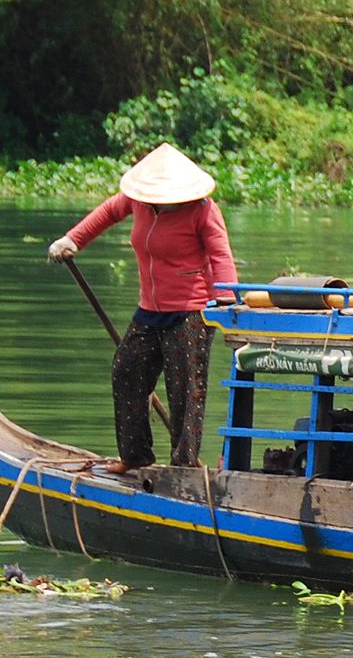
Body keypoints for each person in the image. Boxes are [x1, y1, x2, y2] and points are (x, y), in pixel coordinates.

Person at [47, 143, 239, 472]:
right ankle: (135, 457)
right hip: (149, 310)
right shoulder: (137, 201)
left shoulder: (202, 210)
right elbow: (107, 213)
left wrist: (225, 300)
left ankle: (184, 465)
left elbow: (221, 255)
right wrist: (72, 240)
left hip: (190, 312)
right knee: (127, 371)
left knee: (185, 392)